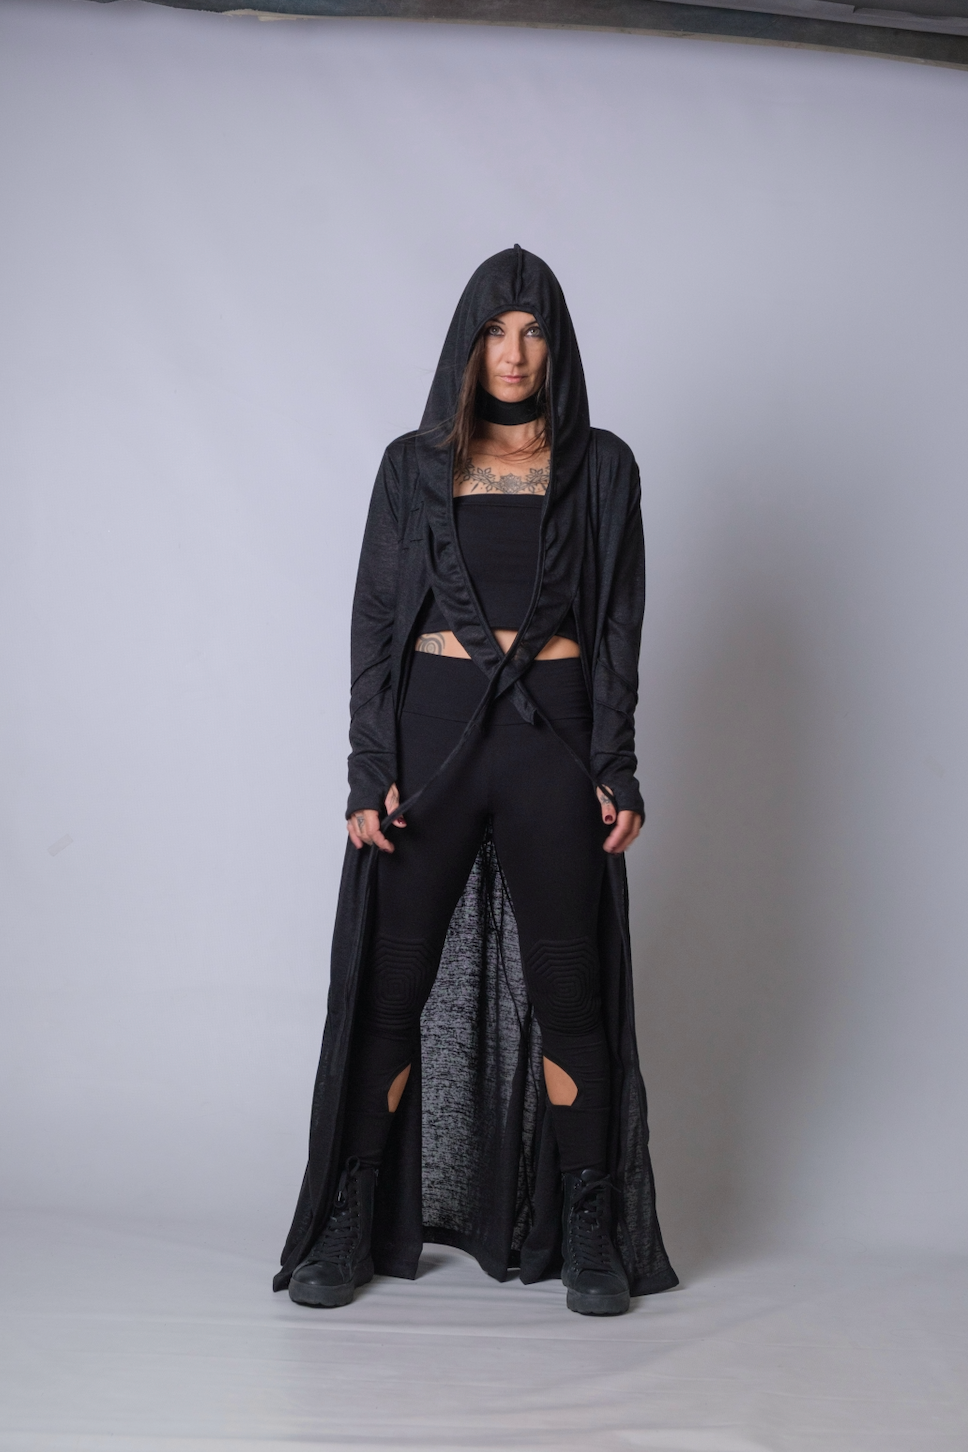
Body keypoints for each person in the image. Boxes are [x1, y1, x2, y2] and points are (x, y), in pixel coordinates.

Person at [274, 246, 677, 1317]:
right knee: (390, 987)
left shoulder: (604, 468)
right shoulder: (411, 466)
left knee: (570, 990)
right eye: (495, 331)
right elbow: (373, 621)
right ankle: (353, 1211)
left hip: (554, 739)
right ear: (467, 343)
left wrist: (616, 761)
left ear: (557, 345)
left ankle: (588, 1220)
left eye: (533, 331)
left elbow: (619, 625)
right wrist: (368, 767)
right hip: (432, 737)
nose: (513, 352)